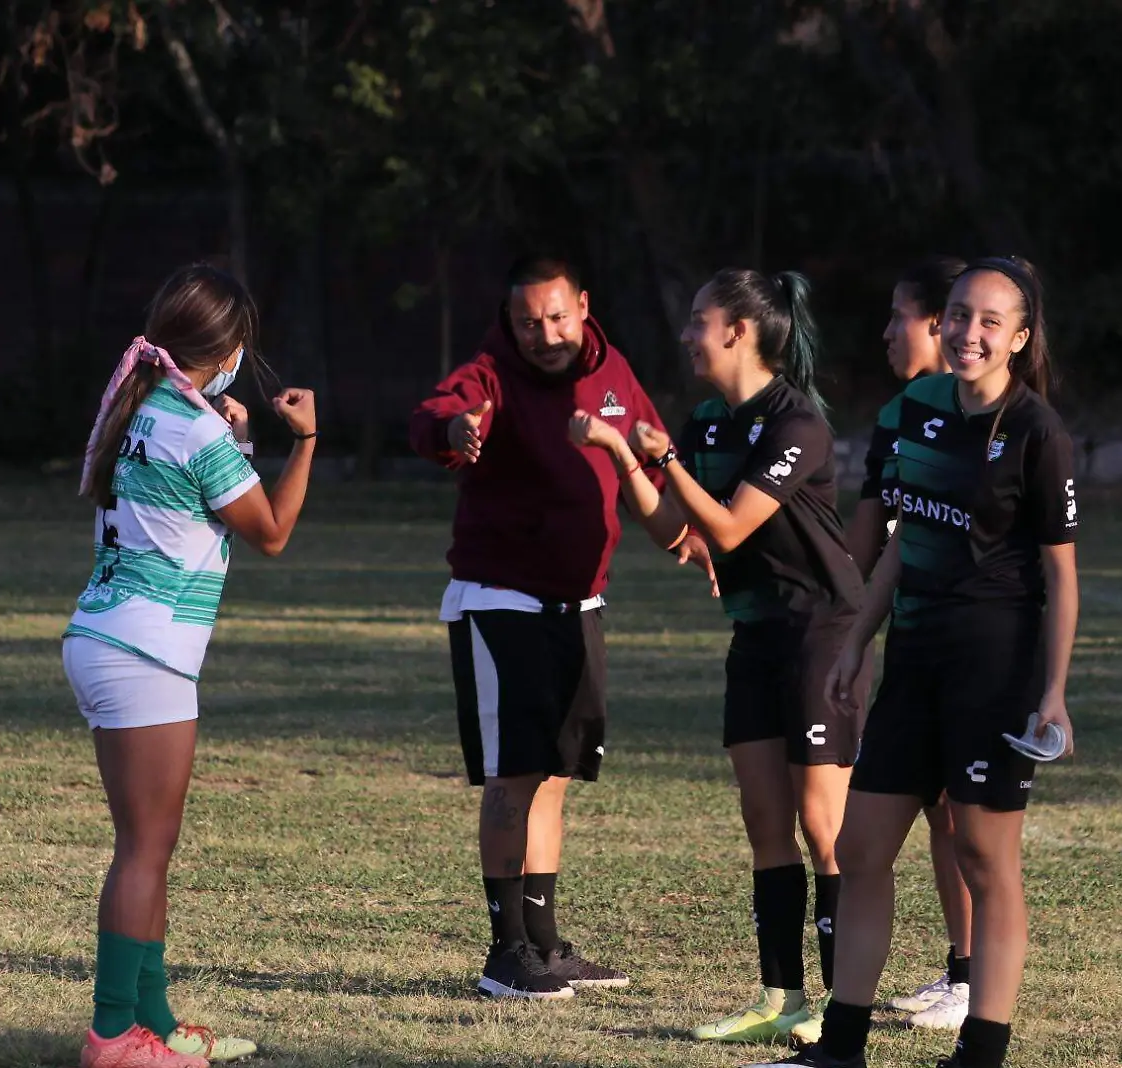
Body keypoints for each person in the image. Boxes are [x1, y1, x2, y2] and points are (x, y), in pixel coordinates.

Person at [750, 256, 1079, 1068]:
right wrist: (858, 641)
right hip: (915, 663)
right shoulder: (915, 412)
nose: (970, 332)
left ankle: (982, 1051)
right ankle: (842, 1046)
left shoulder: (1038, 432)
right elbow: (900, 544)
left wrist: (1054, 693)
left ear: (1019, 339)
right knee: (862, 848)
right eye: (960, 315)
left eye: (990, 321)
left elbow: (1063, 577)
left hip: (994, 670)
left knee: (983, 856)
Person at [570, 268, 869, 1045]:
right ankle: (782, 999)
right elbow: (679, 530)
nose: (686, 333)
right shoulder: (706, 423)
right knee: (764, 818)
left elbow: (731, 528)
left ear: (739, 331)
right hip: (757, 631)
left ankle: (843, 1009)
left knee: (821, 825)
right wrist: (619, 456)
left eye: (699, 320)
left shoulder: (796, 423)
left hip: (820, 631)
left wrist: (661, 459)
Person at [409, 255, 709, 1000]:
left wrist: (688, 535)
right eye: (526, 322)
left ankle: (544, 941)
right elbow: (431, 417)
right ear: (509, 323)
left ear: (582, 306)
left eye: (555, 317)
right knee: (515, 775)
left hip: (581, 607)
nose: (543, 334)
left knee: (555, 777)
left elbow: (650, 463)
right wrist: (455, 427)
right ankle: (504, 951)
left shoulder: (613, 376)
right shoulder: (490, 376)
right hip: (500, 603)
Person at [63, 264, 318, 1068]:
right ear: (230, 346)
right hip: (145, 650)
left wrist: (232, 434)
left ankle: (155, 1023)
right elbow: (271, 529)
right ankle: (112, 1037)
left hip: (110, 637)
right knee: (144, 848)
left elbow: (189, 498)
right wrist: (304, 439)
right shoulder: (196, 426)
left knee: (150, 844)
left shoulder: (146, 406)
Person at [821, 256, 977, 1041]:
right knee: (924, 820)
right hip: (908, 639)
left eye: (899, 318)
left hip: (966, 654)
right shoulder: (897, 416)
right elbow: (872, 531)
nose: (887, 332)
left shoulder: (997, 420)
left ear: (941, 326)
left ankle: (972, 979)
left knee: (957, 823)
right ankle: (960, 973)